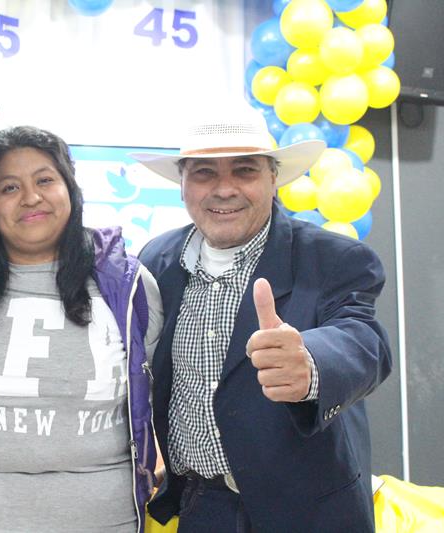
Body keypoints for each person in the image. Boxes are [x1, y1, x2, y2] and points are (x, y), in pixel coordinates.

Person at [131, 103, 392, 532]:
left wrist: (310, 362)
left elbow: (365, 341)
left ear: (273, 180)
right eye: (204, 173)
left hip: (308, 512)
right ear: (182, 185)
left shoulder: (334, 259)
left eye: (245, 171)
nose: (224, 189)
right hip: (202, 508)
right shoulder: (155, 259)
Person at [0, 125, 163, 532]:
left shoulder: (128, 285)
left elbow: (156, 391)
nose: (31, 197)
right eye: (9, 188)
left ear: (70, 188)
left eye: (45, 180)